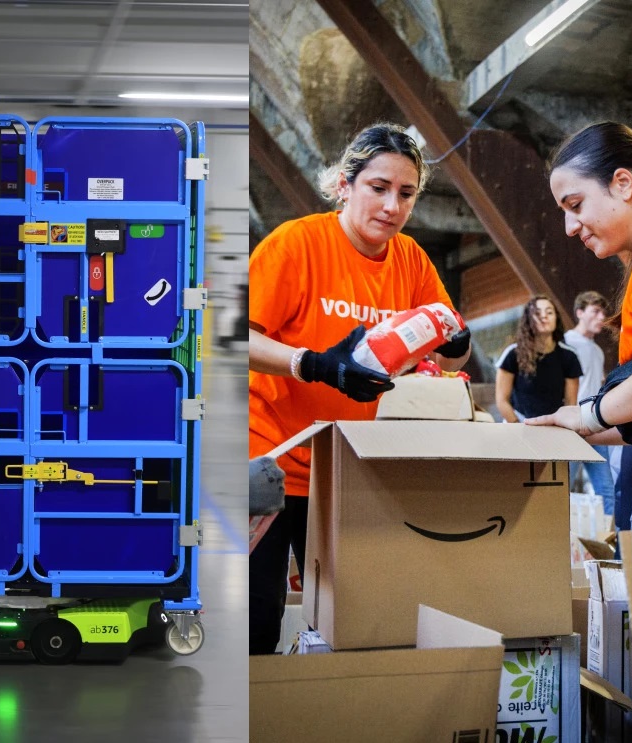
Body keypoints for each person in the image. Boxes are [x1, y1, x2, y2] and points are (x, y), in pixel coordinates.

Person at [247, 123, 471, 655]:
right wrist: (313, 364)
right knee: (256, 622)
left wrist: (456, 337)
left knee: (351, 627)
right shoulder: (296, 244)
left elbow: (450, 348)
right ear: (344, 185)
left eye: (407, 193)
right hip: (269, 462)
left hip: (349, 471)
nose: (392, 206)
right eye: (378, 187)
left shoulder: (412, 259)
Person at [527, 122, 632, 530]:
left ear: (622, 183)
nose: (569, 227)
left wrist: (590, 416)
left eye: (576, 204)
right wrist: (575, 425)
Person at [564, 291, 617, 513]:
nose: (601, 317)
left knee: (607, 490)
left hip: (595, 425)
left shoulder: (597, 350)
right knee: (561, 486)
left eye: (603, 312)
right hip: (572, 427)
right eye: (595, 311)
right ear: (579, 313)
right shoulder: (565, 342)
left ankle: (610, 542)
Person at [494, 295, 582, 423]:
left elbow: (570, 403)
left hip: (554, 426)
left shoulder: (569, 356)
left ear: (556, 318)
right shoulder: (513, 353)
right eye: (537, 313)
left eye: (549, 312)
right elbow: (502, 400)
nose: (544, 316)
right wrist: (518, 425)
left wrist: (559, 425)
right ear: (529, 319)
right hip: (519, 425)